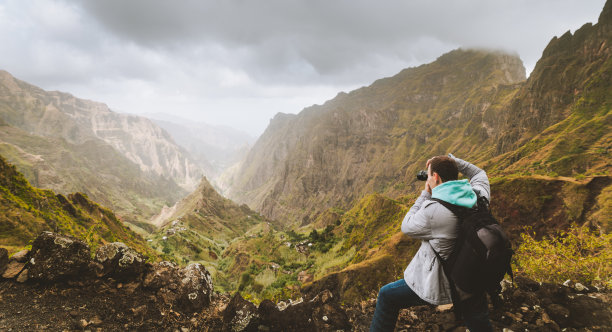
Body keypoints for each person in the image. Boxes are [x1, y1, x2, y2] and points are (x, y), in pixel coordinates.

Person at [369, 154, 493, 332]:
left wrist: (425, 194)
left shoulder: (434, 210)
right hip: (473, 277)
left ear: (435, 177)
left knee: (387, 296)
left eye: (428, 175)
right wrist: (451, 161)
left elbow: (407, 225)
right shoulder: (478, 196)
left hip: (443, 283)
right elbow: (479, 173)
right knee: (477, 317)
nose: (427, 178)